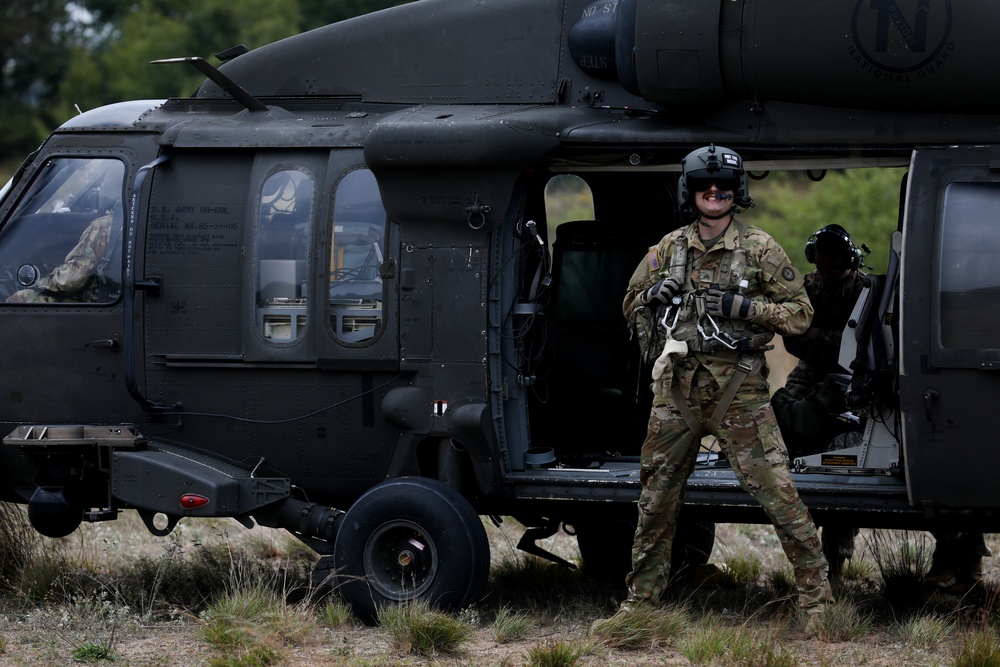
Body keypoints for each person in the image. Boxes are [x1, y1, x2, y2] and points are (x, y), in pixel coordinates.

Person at [598, 145, 831, 637]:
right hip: (676, 392)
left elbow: (800, 314)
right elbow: (627, 305)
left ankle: (817, 601)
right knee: (655, 500)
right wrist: (650, 295)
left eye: (723, 187)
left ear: (736, 193)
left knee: (780, 497)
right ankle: (640, 603)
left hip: (739, 392)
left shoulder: (761, 248)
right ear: (691, 192)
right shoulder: (666, 249)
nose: (714, 193)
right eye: (705, 185)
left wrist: (747, 309)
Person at [782, 224, 867, 399]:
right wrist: (833, 340)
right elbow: (792, 337)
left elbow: (863, 343)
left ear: (849, 262)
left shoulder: (865, 291)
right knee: (787, 408)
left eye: (833, 267)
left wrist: (819, 334)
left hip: (855, 373)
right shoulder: (807, 285)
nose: (826, 273)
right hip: (812, 368)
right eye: (821, 266)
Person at [6, 210, 118, 304]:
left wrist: (42, 283)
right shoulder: (131, 222)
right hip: (117, 300)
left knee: (20, 299)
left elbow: (71, 281)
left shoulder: (105, 225)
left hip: (100, 304)